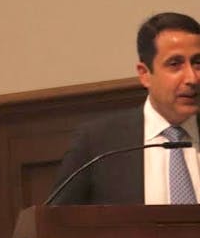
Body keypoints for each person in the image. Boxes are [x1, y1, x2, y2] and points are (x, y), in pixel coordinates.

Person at [51, 11, 200, 205]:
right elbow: (57, 224)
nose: (192, 78)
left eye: (197, 63)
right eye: (175, 64)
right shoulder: (98, 143)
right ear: (145, 74)